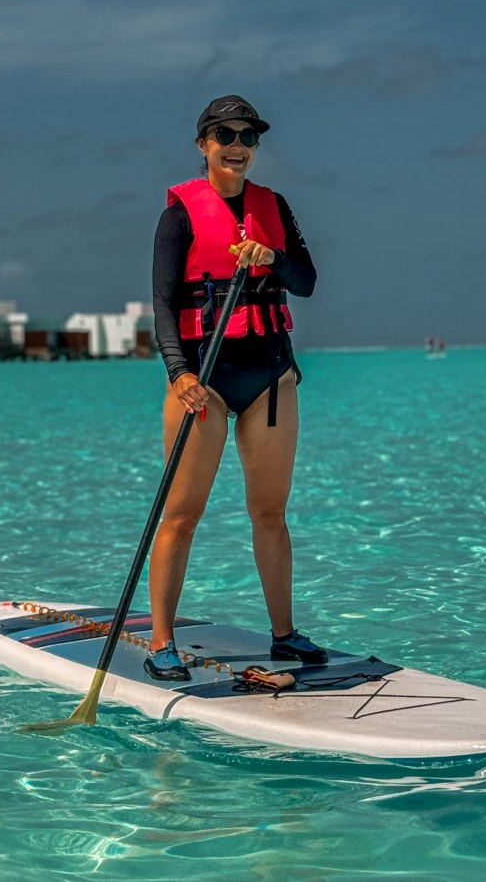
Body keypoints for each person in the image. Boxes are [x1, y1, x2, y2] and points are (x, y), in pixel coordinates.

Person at [146, 94, 327, 682]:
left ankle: (284, 635)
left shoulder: (275, 207)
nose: (237, 145)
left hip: (270, 376)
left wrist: (270, 257)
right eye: (224, 135)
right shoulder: (179, 216)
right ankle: (162, 643)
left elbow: (306, 281)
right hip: (203, 380)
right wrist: (179, 372)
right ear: (203, 145)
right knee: (182, 515)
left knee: (271, 512)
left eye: (248, 136)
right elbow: (163, 303)